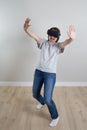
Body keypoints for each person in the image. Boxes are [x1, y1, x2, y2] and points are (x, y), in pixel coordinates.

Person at [23, 18, 76, 127]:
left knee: (48, 98)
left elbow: (66, 42)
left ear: (57, 38)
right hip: (39, 71)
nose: (52, 37)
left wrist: (72, 38)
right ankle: (41, 102)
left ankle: (55, 116)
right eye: (51, 35)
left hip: (50, 75)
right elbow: (34, 36)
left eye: (55, 36)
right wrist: (26, 29)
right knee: (35, 94)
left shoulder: (58, 46)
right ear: (48, 35)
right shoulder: (43, 42)